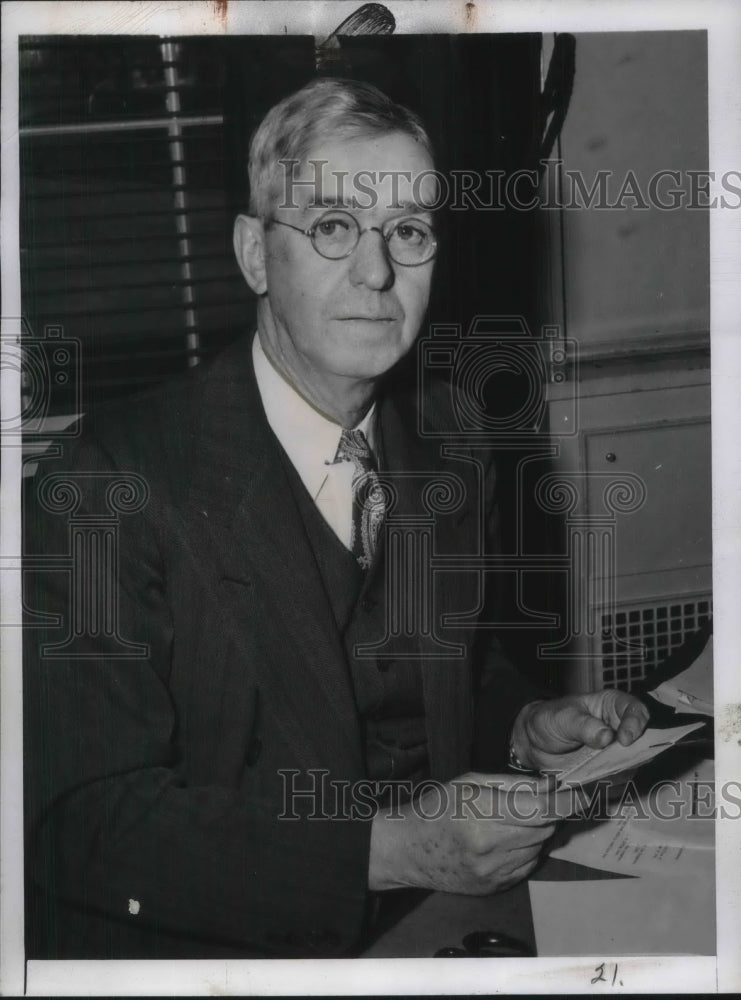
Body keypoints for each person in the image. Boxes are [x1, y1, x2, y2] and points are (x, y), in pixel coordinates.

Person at [23, 77, 649, 959]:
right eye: (332, 226)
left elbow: (440, 680)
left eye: (408, 231)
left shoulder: (452, 438)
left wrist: (521, 727)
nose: (377, 272)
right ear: (254, 254)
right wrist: (386, 852)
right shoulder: (108, 480)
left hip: (433, 924)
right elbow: (81, 821)